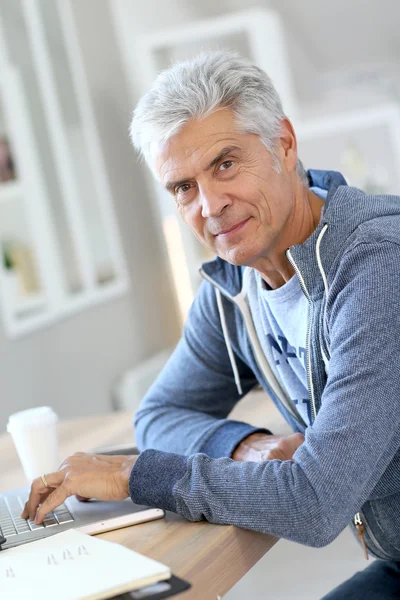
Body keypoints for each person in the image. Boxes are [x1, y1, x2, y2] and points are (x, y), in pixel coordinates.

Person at [23, 51, 400, 598]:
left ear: (284, 144)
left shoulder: (377, 267)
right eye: (182, 187)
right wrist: (245, 444)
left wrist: (134, 475)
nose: (211, 204)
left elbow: (315, 500)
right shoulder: (233, 286)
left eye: (226, 163)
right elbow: (159, 415)